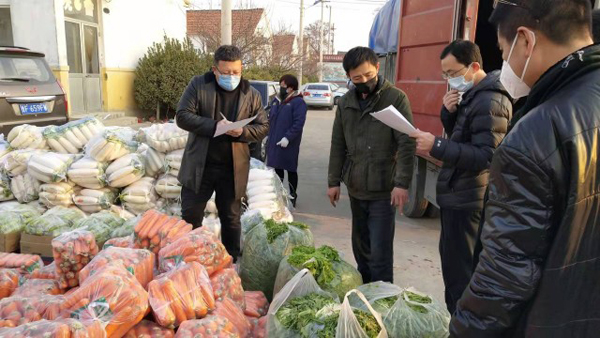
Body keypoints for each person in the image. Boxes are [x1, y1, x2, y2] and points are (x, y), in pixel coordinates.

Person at [450, 0, 600, 337]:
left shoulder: (538, 132)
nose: (505, 64)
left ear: (526, 40)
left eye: (503, 52)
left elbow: (505, 273)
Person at [410, 40, 512, 315]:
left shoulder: (491, 99)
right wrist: (448, 112)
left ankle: (463, 323)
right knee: (453, 271)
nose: (449, 80)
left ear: (474, 67)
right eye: (444, 74)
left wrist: (437, 146)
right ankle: (457, 320)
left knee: (462, 275)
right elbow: (462, 134)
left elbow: (487, 156)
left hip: (470, 200)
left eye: (453, 73)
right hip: (457, 195)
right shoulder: (472, 96)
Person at [327, 46, 415, 283]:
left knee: (380, 252)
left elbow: (407, 143)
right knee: (361, 249)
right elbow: (338, 144)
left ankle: (383, 298)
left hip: (383, 188)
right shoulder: (345, 103)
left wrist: (402, 183)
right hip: (356, 187)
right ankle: (365, 294)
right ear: (349, 77)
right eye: (357, 78)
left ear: (377, 67)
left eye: (368, 75)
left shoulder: (395, 98)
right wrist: (333, 181)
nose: (364, 81)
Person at [176, 45, 269, 260]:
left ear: (241, 69)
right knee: (191, 215)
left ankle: (230, 263)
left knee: (231, 218)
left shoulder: (251, 94)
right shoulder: (199, 85)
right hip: (201, 165)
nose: (231, 76)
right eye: (226, 72)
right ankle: (191, 260)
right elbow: (182, 116)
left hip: (233, 168)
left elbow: (263, 127)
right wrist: (215, 126)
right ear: (215, 69)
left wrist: (242, 131)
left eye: (235, 72)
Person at [265, 74, 307, 207]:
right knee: (277, 169)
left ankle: (293, 195)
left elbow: (298, 123)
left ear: (291, 88)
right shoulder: (278, 101)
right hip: (275, 140)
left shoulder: (298, 102)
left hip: (289, 142)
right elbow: (271, 118)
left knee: (290, 169)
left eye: (283, 86)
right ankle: (279, 194)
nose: (280, 88)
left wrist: (288, 137)